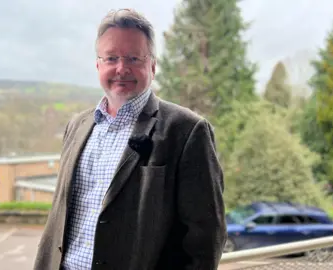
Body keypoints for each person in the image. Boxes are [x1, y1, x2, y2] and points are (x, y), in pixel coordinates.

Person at [34, 8, 227, 270]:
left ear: (153, 65)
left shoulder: (187, 131)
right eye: (111, 58)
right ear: (98, 64)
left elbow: (205, 240)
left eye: (134, 58)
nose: (122, 68)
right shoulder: (77, 126)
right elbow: (60, 216)